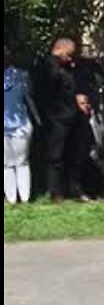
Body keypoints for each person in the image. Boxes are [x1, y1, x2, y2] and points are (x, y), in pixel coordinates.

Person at [44, 37, 93, 203]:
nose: (71, 59)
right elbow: (53, 89)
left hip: (74, 117)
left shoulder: (70, 68)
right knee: (56, 157)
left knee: (76, 154)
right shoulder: (49, 67)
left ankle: (75, 189)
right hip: (57, 118)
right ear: (59, 50)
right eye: (68, 55)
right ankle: (56, 193)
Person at [4, 47, 40, 203]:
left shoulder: (23, 75)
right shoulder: (23, 75)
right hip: (22, 125)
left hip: (17, 124)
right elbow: (29, 99)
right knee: (21, 162)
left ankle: (13, 199)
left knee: (7, 164)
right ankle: (23, 198)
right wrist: (38, 119)